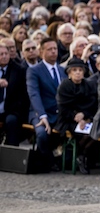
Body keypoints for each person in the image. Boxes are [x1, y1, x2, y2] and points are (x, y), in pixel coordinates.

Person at [26, 38, 67, 172]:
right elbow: (34, 94)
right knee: (42, 133)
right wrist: (42, 115)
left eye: (55, 48)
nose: (53, 52)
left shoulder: (62, 70)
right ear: (41, 51)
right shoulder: (34, 71)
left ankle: (63, 159)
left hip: (60, 114)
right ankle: (47, 161)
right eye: (49, 49)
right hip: (41, 112)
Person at [56, 58, 98, 174]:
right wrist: (76, 116)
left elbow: (93, 104)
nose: (78, 72)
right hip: (68, 119)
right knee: (83, 133)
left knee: (96, 132)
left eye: (80, 70)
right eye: (74, 70)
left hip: (87, 118)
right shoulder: (64, 86)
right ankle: (81, 156)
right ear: (69, 73)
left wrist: (85, 115)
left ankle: (81, 154)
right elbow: (62, 107)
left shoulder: (89, 85)